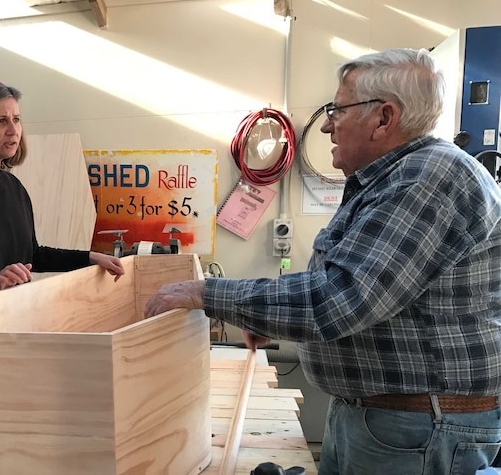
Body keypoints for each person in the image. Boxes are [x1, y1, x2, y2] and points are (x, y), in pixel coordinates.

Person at [144, 48, 501, 475]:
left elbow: (340, 300)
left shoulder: (428, 179)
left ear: (384, 118)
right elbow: (347, 283)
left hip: (416, 426)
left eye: (338, 109)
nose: (328, 124)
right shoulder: (392, 179)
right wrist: (263, 316)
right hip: (389, 418)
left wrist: (203, 292)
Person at [0, 80, 125, 438]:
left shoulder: (13, 187)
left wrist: (90, 258)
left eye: (17, 119)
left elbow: (32, 254)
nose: (13, 130)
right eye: (0, 121)